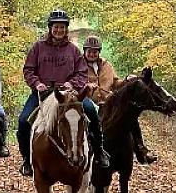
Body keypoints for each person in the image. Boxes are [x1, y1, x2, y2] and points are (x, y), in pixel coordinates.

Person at [17, 9, 111, 177]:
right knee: (24, 121)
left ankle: (100, 152)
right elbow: (29, 70)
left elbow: (81, 73)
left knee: (91, 112)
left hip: (69, 95)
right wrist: (37, 83)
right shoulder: (38, 47)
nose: (58, 30)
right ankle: (26, 159)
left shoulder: (73, 50)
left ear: (66, 29)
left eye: (62, 27)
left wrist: (71, 84)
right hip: (44, 94)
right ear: (50, 28)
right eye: (55, 27)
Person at [82, 35, 157, 165]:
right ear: (84, 51)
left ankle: (140, 148)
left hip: (108, 104)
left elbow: (116, 83)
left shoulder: (107, 65)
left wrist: (127, 80)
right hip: (89, 103)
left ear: (99, 52)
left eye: (95, 51)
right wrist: (86, 87)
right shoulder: (78, 66)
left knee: (130, 115)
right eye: (89, 51)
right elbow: (75, 83)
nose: (92, 54)